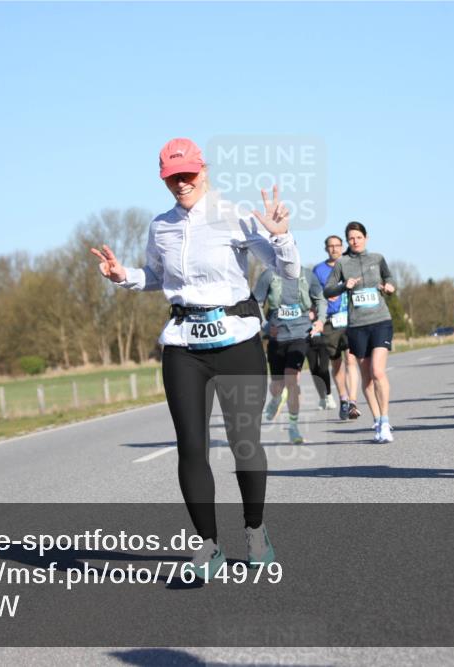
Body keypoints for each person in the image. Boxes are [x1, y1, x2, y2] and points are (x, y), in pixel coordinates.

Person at [91, 138, 299, 579]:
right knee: (191, 446)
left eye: (187, 174)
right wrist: (123, 275)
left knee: (246, 446)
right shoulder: (160, 226)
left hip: (238, 342)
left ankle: (255, 531)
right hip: (184, 346)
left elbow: (287, 271)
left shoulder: (236, 215)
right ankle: (208, 545)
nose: (181, 183)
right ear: (164, 179)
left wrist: (282, 237)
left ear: (203, 171)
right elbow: (156, 276)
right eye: (172, 177)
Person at [323, 222, 397, 443]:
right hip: (356, 325)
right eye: (351, 238)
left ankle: (385, 421)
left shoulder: (377, 258)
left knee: (378, 371)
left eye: (358, 237)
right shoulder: (342, 263)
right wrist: (344, 286)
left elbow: (390, 278)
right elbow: (328, 290)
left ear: (366, 237)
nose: (355, 241)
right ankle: (377, 420)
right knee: (366, 377)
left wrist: (390, 287)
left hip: (381, 320)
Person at [253, 264, 326, 443]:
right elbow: (255, 302)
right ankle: (276, 398)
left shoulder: (307, 275)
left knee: (292, 379)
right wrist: (265, 326)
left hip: (301, 335)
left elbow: (320, 299)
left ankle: (293, 427)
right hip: (277, 338)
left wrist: (321, 320)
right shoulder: (269, 275)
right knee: (277, 385)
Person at [311, 235, 362, 421]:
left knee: (350, 360)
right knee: (337, 363)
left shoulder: (350, 264)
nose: (334, 249)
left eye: (337, 245)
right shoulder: (318, 270)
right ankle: (343, 398)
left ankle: (353, 402)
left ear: (343, 247)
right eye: (331, 246)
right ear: (326, 249)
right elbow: (315, 295)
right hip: (330, 322)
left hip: (350, 319)